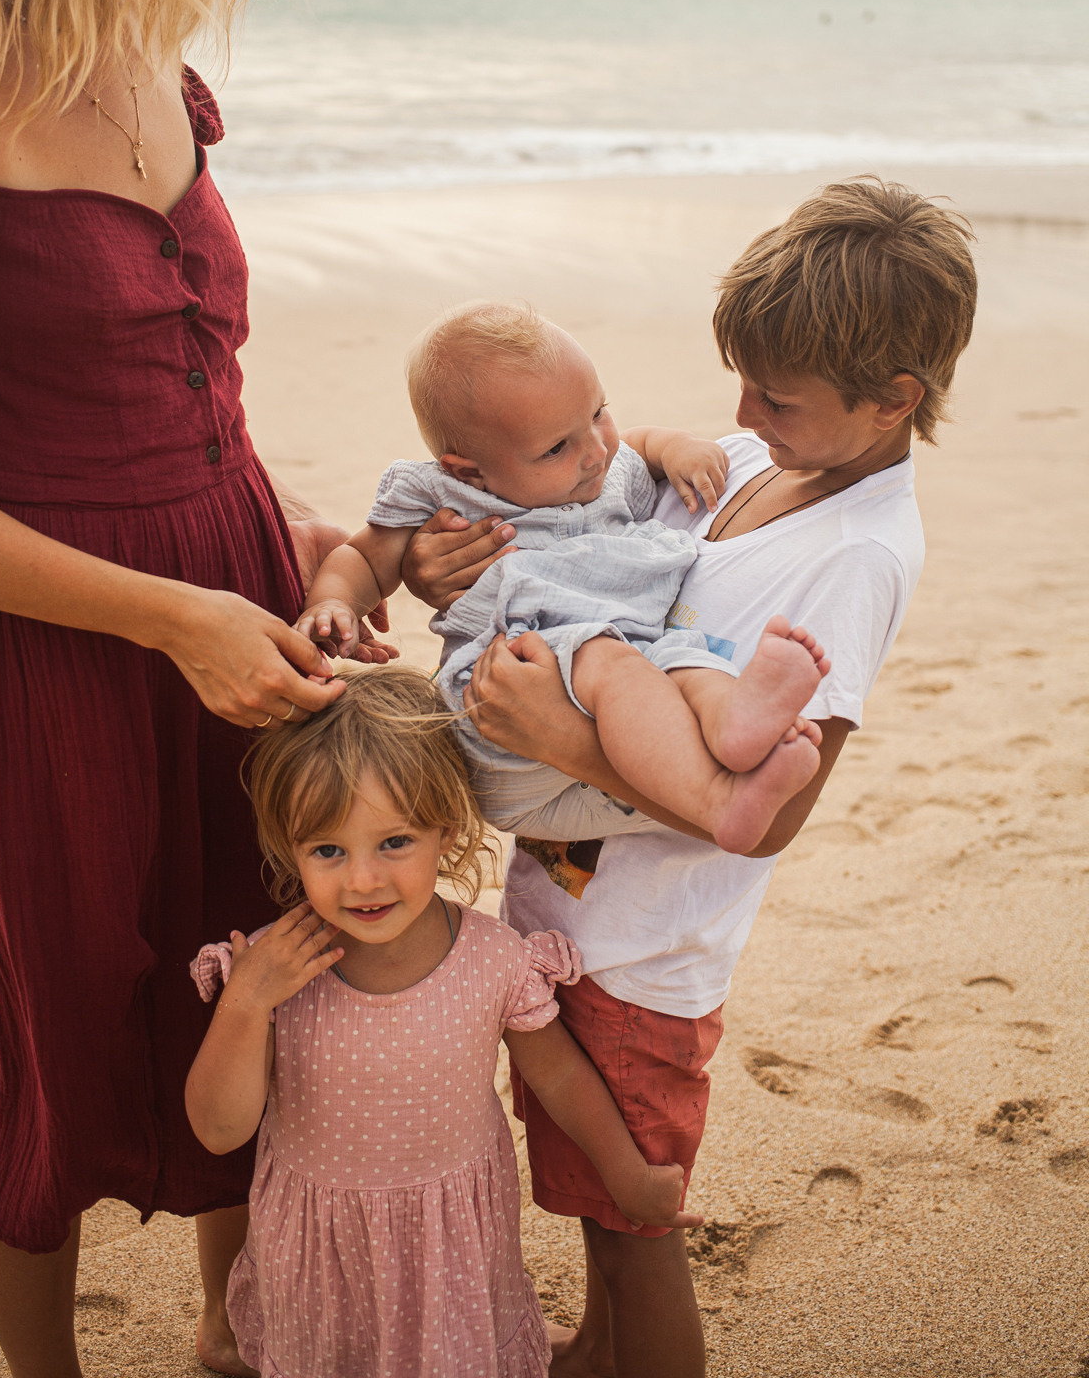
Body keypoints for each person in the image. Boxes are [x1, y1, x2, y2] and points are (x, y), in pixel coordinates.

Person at [0, 0, 385, 1378]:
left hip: (235, 610)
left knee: (261, 991)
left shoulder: (150, 50)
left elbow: (189, 399)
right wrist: (176, 615)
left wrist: (305, 541)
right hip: (43, 649)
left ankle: (229, 1347)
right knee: (52, 1058)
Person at [400, 179, 978, 1378]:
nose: (744, 413)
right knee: (594, 1218)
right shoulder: (765, 456)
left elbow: (771, 822)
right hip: (573, 907)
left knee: (636, 1233)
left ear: (893, 400)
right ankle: (595, 1355)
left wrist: (562, 742)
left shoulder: (859, 555)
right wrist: (445, 566)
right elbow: (575, 529)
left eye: (777, 396)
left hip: (646, 953)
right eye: (743, 382)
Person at [185, 666, 698, 1378]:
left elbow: (557, 1075)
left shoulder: (494, 959)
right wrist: (245, 1003)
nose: (363, 879)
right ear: (288, 847)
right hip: (319, 1259)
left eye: (394, 842)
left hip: (451, 1252)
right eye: (328, 850)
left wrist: (627, 1174)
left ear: (445, 830)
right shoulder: (276, 972)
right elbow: (219, 1130)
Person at [297, 301, 831, 856]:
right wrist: (333, 601)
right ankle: (717, 801)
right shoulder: (444, 494)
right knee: (612, 661)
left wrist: (676, 447)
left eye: (598, 413)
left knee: (689, 662)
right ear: (470, 470)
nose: (596, 452)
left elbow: (640, 445)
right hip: (507, 708)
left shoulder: (605, 469)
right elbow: (365, 557)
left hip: (616, 713)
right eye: (557, 447)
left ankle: (732, 726)